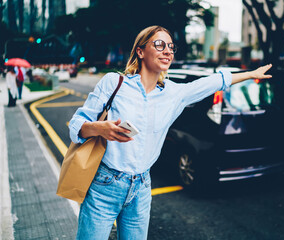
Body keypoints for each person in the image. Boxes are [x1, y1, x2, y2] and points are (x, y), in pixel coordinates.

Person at [69, 25, 272, 240]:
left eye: (171, 47)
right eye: (159, 44)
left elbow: (213, 81)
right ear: (140, 51)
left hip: (141, 188)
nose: (167, 51)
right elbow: (76, 124)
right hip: (104, 185)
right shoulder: (114, 83)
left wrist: (251, 74)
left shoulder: (174, 93)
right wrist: (99, 128)